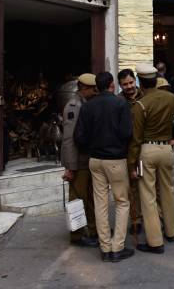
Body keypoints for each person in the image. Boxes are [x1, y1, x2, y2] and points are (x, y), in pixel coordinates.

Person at [129, 63, 174, 254]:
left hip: (147, 150)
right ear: (156, 80)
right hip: (167, 149)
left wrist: (131, 163)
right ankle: (171, 232)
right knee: (168, 191)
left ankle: (155, 242)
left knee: (148, 196)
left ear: (141, 82)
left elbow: (135, 138)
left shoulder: (140, 105)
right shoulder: (170, 97)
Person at [74, 72, 134, 262]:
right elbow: (127, 133)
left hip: (95, 159)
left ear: (97, 87)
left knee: (100, 203)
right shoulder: (120, 103)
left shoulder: (87, 106)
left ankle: (105, 247)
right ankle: (117, 248)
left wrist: (93, 145)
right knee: (122, 202)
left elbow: (79, 136)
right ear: (111, 84)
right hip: (115, 159)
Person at [61, 73, 99, 247]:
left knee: (89, 198)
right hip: (78, 162)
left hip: (87, 160)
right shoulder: (74, 106)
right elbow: (69, 138)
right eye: (93, 89)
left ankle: (92, 229)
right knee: (76, 200)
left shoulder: (85, 103)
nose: (96, 92)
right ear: (84, 88)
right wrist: (70, 166)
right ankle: (76, 235)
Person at [117, 69, 144, 234]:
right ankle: (136, 221)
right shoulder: (118, 101)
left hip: (147, 147)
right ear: (120, 85)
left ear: (135, 81)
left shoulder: (146, 96)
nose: (129, 86)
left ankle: (160, 218)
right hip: (128, 150)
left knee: (153, 186)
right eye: (125, 84)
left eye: (131, 82)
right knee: (132, 188)